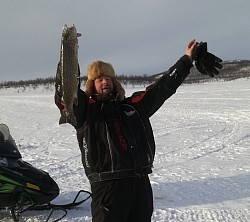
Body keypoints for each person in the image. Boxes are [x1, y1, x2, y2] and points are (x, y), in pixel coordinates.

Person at [54, 39, 221, 222]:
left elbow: (162, 87)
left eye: (108, 79)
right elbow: (66, 94)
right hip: (108, 187)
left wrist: (187, 60)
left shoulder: (133, 106)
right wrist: (69, 52)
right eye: (100, 79)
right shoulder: (85, 111)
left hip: (140, 183)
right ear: (92, 84)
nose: (105, 82)